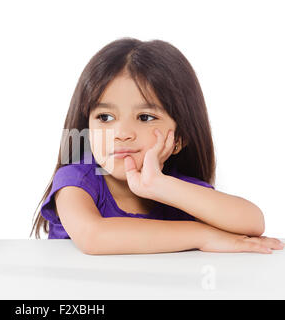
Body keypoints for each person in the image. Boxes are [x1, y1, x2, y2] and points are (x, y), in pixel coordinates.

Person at [30, 37, 284, 255]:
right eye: (105, 118)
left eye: (145, 117)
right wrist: (202, 235)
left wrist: (159, 186)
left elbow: (252, 222)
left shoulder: (174, 189)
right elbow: (93, 236)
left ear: (180, 138)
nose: (122, 134)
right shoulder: (77, 179)